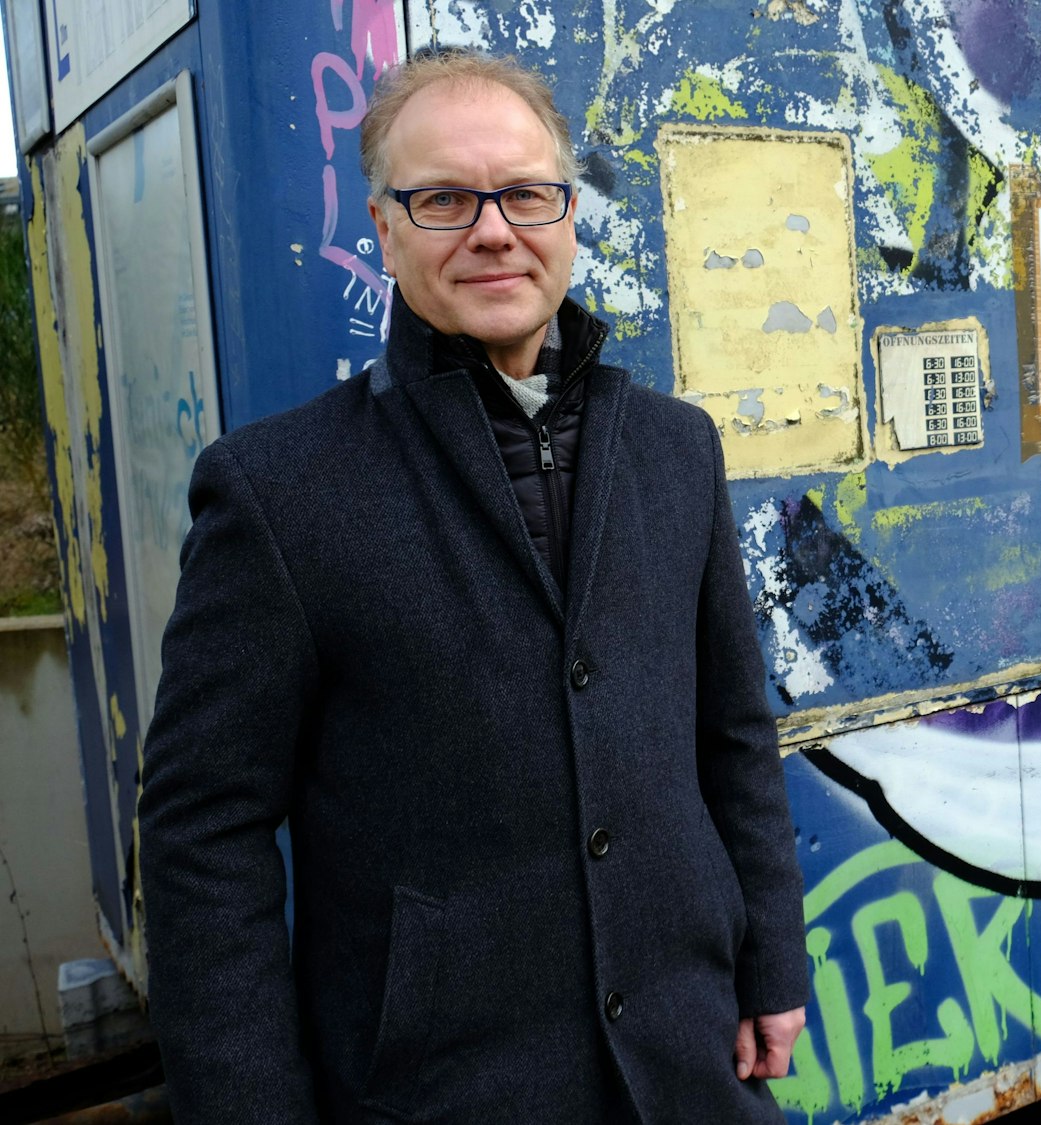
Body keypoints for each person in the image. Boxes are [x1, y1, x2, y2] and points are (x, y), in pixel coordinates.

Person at [136, 49, 808, 1123]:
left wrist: (772, 960)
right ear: (384, 225)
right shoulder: (277, 493)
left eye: (526, 194)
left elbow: (731, 731)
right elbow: (202, 833)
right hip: (441, 1092)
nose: (494, 230)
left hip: (693, 1064)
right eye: (444, 199)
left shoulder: (676, 448)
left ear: (568, 214)